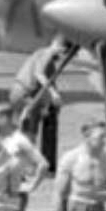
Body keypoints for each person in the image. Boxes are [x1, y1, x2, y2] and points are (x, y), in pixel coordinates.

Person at [9, 35, 76, 171]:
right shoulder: (46, 53)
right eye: (64, 54)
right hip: (25, 92)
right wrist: (53, 94)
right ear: (62, 49)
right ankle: (26, 166)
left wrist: (52, 100)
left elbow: (51, 82)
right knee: (30, 132)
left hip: (21, 92)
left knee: (24, 129)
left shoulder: (46, 58)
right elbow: (39, 75)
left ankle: (21, 163)